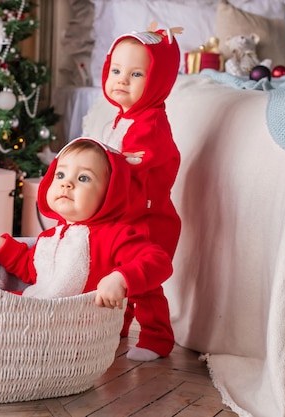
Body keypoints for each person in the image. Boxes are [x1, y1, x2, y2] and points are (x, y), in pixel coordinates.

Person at [0, 137, 173, 318]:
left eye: (83, 178)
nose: (67, 184)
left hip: (75, 323)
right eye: (60, 175)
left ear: (111, 193)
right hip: (37, 307)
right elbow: (32, 270)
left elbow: (159, 261)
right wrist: (2, 246)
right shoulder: (51, 236)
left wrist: (120, 278)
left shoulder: (113, 235)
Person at [83, 24, 182, 361]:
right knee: (114, 270)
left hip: (149, 218)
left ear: (158, 81)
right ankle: (117, 326)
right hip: (125, 215)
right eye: (116, 70)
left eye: (136, 73)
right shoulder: (120, 117)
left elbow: (132, 165)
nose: (122, 80)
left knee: (144, 281)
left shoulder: (151, 124)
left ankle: (157, 338)